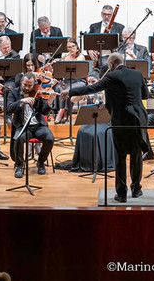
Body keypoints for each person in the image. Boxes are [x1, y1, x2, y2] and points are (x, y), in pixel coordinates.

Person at [61, 52, 149, 202]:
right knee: (136, 154)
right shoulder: (137, 74)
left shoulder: (111, 76)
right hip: (138, 119)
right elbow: (145, 95)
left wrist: (69, 92)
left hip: (121, 119)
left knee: (120, 156)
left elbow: (91, 88)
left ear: (112, 64)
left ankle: (121, 194)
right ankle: (136, 189)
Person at [6, 73, 55, 178]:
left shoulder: (38, 93)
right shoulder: (14, 92)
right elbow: (9, 108)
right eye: (25, 85)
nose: (27, 88)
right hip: (23, 126)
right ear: (21, 82)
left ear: (34, 85)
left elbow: (44, 112)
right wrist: (21, 101)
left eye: (30, 86)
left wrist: (50, 102)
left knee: (50, 138)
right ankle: (19, 164)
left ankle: (41, 162)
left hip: (38, 126)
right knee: (18, 138)